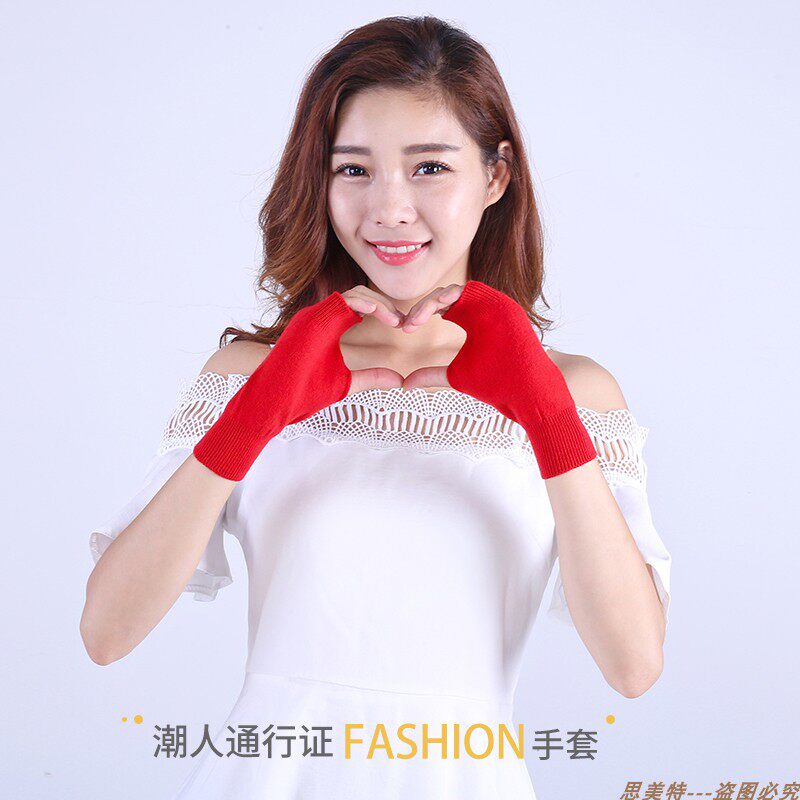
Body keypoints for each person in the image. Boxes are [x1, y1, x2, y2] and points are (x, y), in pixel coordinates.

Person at [80, 15, 672, 799]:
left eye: (430, 167)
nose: (389, 209)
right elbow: (106, 633)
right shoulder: (252, 375)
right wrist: (255, 416)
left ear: (496, 176)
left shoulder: (576, 394)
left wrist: (547, 417)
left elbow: (633, 665)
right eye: (353, 170)